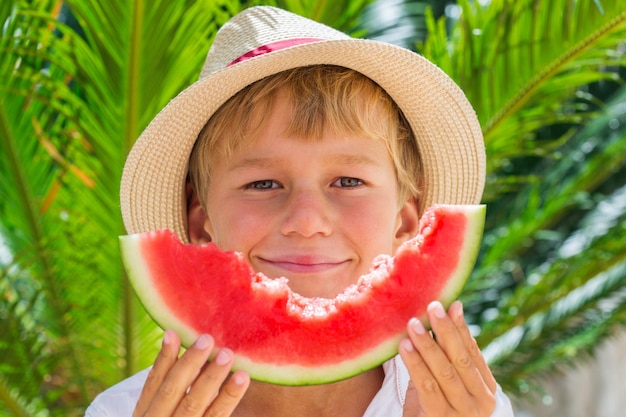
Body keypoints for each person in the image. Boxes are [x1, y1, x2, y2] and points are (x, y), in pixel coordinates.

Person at [86, 6, 514, 417]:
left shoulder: (468, 408)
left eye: (348, 182)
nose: (307, 222)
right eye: (263, 184)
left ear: (406, 223)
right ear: (201, 224)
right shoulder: (122, 412)